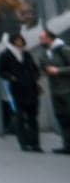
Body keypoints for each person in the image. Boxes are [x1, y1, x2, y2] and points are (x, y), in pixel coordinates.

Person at [0, 32, 44, 152]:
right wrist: (11, 77)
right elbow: (1, 71)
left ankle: (35, 143)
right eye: (17, 40)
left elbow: (35, 68)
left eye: (21, 40)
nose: (19, 43)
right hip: (17, 90)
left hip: (31, 89)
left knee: (32, 118)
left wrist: (35, 77)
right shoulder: (6, 55)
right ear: (13, 41)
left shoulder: (27, 54)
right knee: (19, 117)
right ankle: (23, 143)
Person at [39, 26, 70, 154]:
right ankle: (67, 145)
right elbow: (44, 69)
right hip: (55, 90)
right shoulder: (46, 53)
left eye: (42, 38)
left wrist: (58, 71)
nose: (40, 41)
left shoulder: (64, 49)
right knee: (62, 119)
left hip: (67, 90)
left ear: (50, 39)